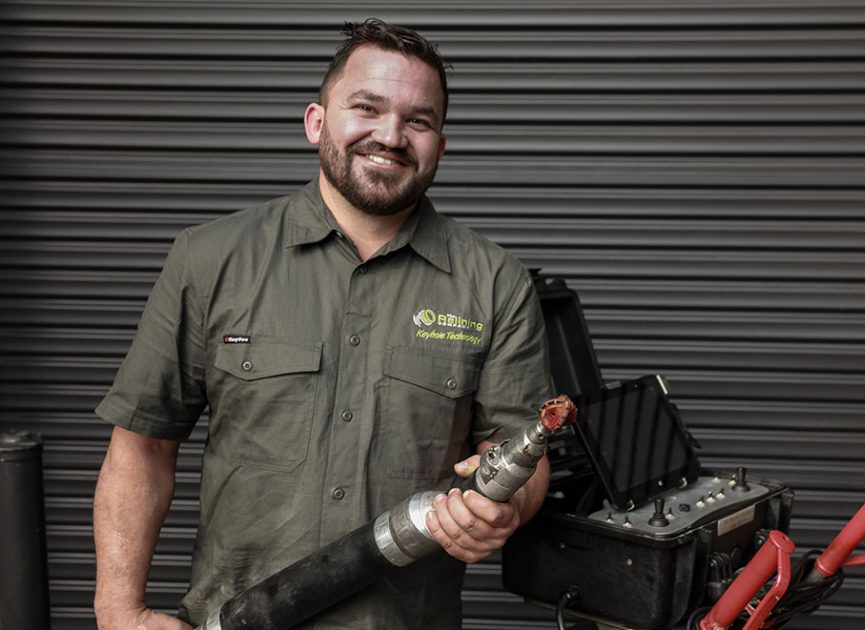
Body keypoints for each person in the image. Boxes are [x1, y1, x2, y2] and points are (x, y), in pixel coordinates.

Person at [92, 18, 554, 630]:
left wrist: (505, 507)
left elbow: (521, 449)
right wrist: (118, 609)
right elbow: (142, 446)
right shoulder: (210, 259)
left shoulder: (495, 283)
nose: (390, 135)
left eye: (418, 120)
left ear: (440, 145)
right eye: (367, 107)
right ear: (317, 121)